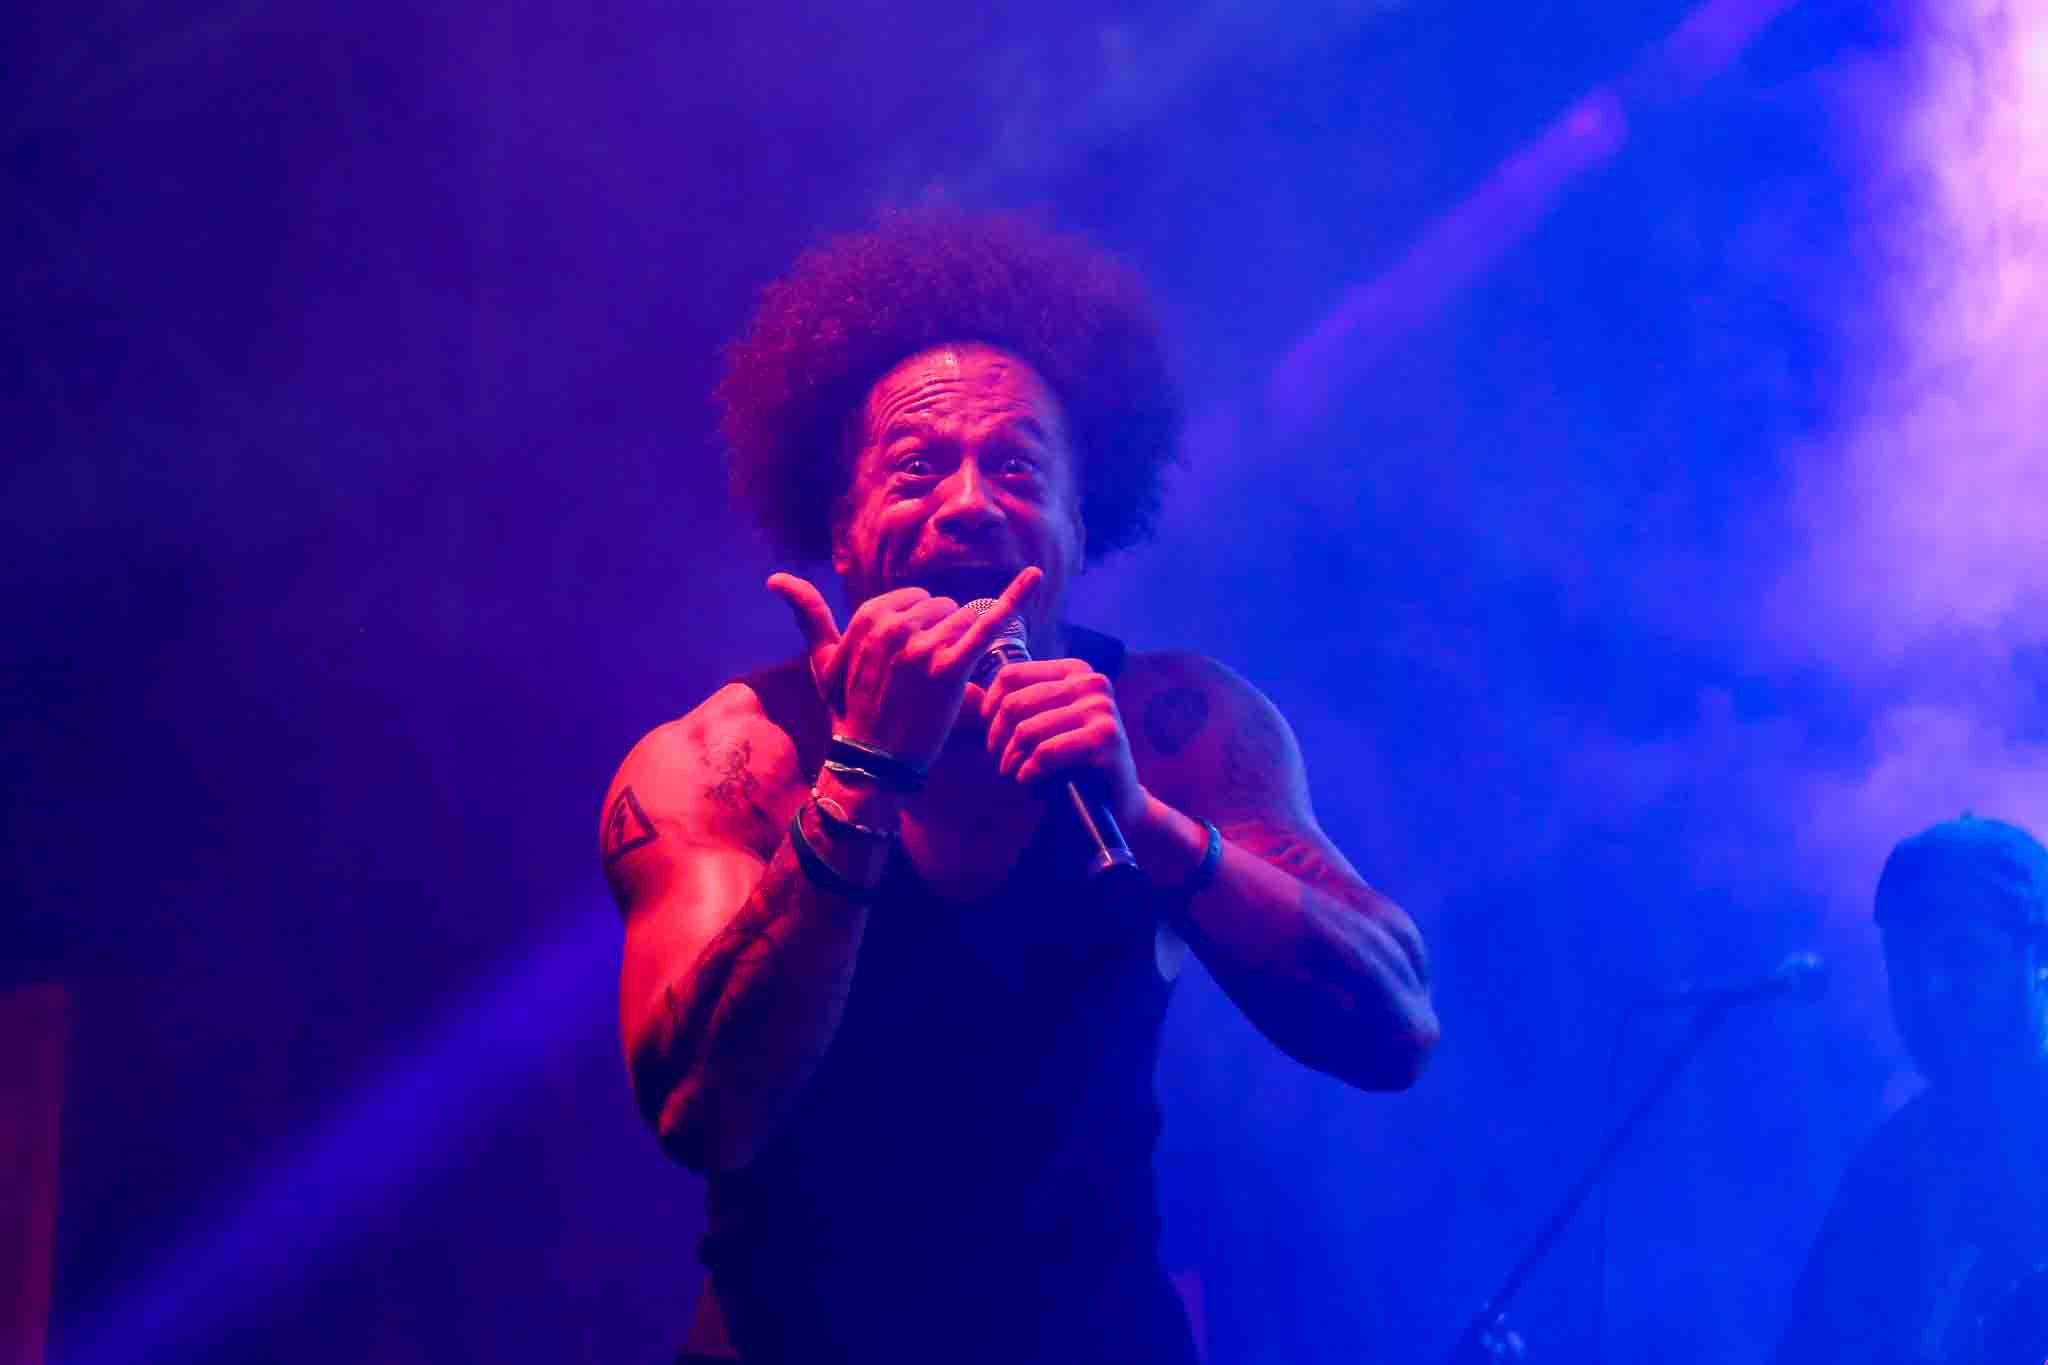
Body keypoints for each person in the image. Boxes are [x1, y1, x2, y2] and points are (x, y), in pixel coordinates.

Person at [599, 209, 1438, 1364]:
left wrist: (1145, 823)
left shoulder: (1175, 731)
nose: (968, 503)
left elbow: (1393, 1029)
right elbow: (703, 1114)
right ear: (839, 528)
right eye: (915, 467)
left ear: (1076, 526)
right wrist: (863, 774)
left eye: (1015, 468)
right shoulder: (724, 763)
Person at [1774, 815, 2048, 1365]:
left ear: (2041, 956)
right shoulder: (1892, 1162)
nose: (1928, 989)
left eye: (1960, 956)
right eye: (1903, 961)